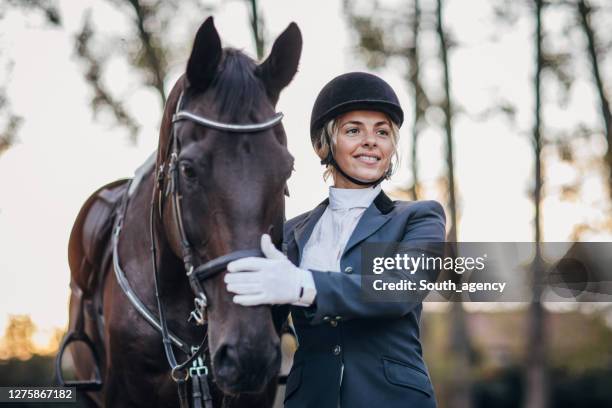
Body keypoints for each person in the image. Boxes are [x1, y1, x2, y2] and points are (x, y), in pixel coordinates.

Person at [224, 72, 446, 408]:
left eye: (382, 132)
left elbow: (398, 289)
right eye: (354, 130)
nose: (371, 141)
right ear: (323, 145)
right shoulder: (292, 233)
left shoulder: (420, 217)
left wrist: (303, 285)